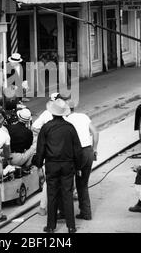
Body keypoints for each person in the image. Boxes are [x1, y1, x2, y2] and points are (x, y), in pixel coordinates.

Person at [34, 98, 82, 233]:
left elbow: (40, 149)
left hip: (52, 165)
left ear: (52, 112)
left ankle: (51, 226)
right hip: (68, 165)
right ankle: (71, 226)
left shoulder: (46, 127)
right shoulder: (70, 128)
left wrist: (38, 165)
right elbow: (77, 149)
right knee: (67, 194)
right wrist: (78, 167)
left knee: (52, 194)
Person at [66, 100, 99, 220]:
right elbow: (95, 132)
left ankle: (65, 213)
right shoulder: (84, 116)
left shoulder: (66, 120)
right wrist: (94, 149)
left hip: (75, 153)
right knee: (83, 184)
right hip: (88, 151)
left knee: (67, 184)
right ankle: (86, 213)